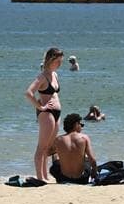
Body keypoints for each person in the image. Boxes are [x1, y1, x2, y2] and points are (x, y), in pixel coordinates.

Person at [26, 47, 64, 184]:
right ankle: (39, 176)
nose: (60, 64)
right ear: (51, 60)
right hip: (46, 113)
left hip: (56, 113)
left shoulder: (55, 75)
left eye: (61, 61)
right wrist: (40, 106)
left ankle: (45, 175)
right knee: (41, 147)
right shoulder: (42, 77)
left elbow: (55, 94)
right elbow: (28, 93)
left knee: (49, 147)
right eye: (58, 61)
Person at [50, 113, 96, 183]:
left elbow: (47, 153)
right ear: (76, 124)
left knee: (55, 156)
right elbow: (93, 160)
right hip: (81, 179)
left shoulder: (58, 139)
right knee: (86, 158)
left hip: (63, 178)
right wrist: (94, 173)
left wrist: (61, 151)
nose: (82, 127)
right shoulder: (84, 138)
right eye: (81, 124)